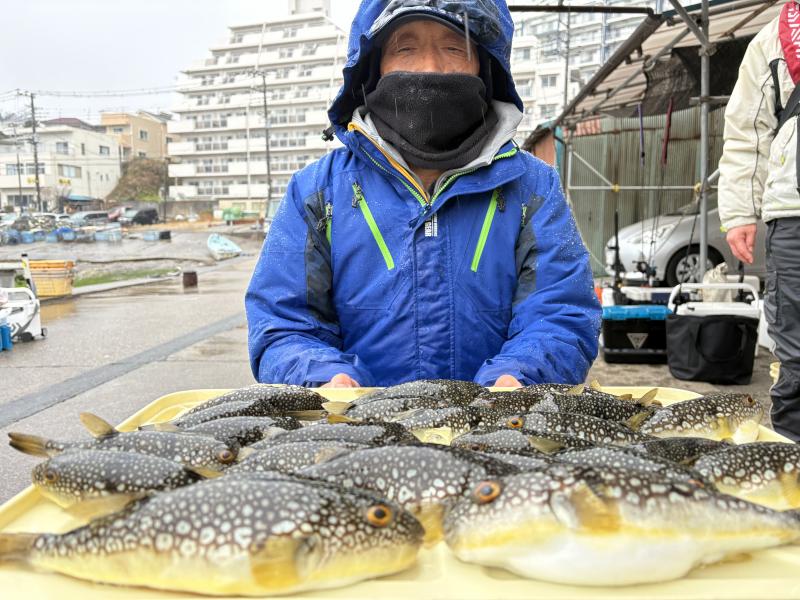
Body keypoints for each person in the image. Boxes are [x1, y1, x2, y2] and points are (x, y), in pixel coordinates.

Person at [246, 0, 601, 389]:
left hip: (498, 433)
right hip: (357, 434)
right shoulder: (316, 192)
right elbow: (283, 324)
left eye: (454, 47)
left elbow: (561, 314)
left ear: (484, 64)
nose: (430, 68)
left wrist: (519, 378)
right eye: (405, 47)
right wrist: (326, 379)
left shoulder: (533, 188)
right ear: (374, 65)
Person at [719, 1, 800, 441]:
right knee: (797, 352)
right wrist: (738, 212)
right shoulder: (775, 37)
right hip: (794, 215)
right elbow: (748, 130)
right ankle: (793, 468)